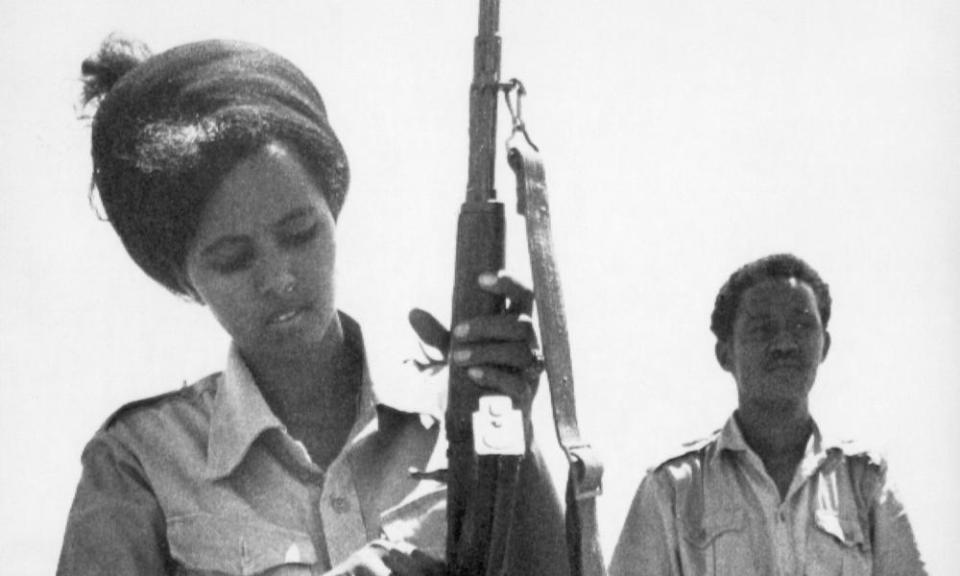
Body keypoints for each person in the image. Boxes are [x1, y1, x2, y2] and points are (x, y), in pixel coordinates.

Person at [58, 35, 568, 576]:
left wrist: (512, 434)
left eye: (300, 233)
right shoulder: (140, 462)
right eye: (233, 259)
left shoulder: (453, 420)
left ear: (333, 210)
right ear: (185, 275)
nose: (278, 277)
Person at [609, 253, 926, 576]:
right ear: (725, 353)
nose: (784, 344)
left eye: (802, 325)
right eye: (763, 329)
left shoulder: (865, 482)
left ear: (824, 346)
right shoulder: (673, 489)